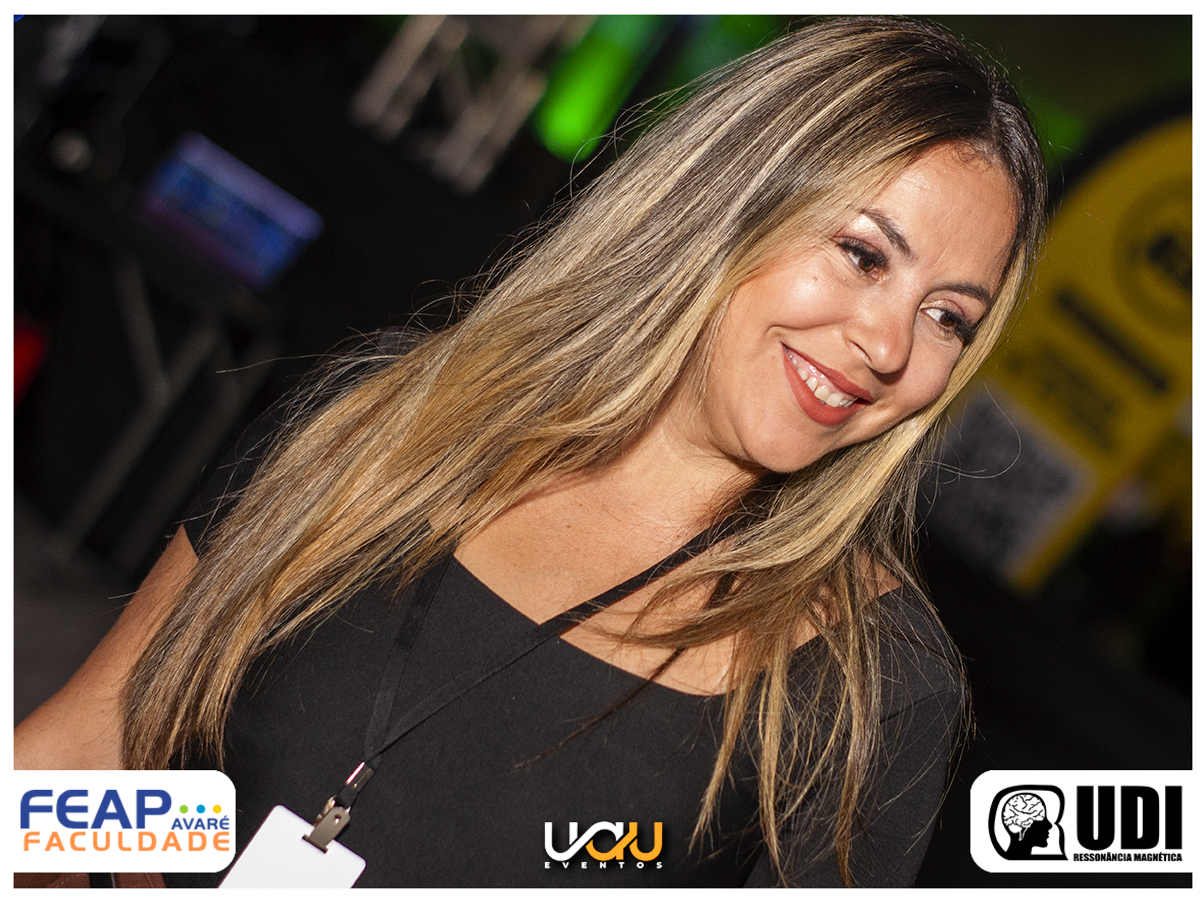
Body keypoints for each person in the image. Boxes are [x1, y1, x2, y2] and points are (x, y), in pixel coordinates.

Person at [15, 16, 1046, 887]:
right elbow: (90, 755)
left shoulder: (868, 685)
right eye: (862, 254)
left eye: (948, 318)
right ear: (728, 202)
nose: (889, 345)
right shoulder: (389, 424)